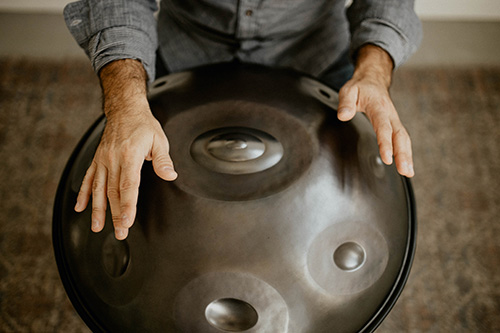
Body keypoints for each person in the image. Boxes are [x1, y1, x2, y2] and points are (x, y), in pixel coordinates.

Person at [64, 0, 422, 240]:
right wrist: (126, 104)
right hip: (185, 51)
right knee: (169, 221)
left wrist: (374, 70)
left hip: (317, 54)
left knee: (326, 219)